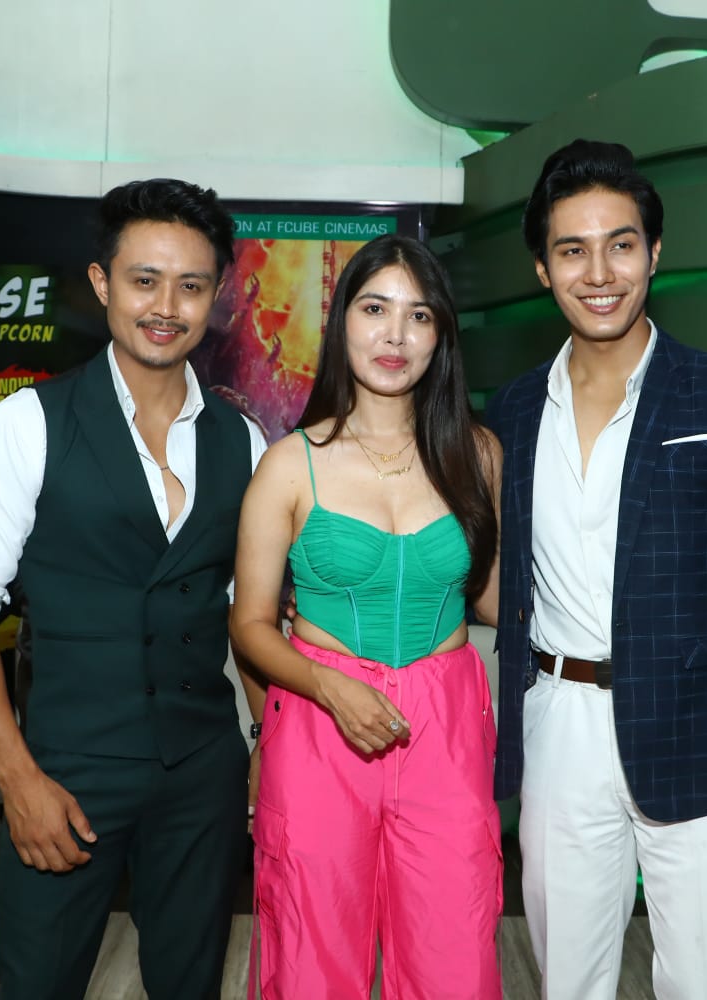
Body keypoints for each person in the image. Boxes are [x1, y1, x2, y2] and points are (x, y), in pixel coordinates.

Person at [484, 139, 707, 1000]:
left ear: (655, 253)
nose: (600, 272)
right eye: (573, 249)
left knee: (704, 984)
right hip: (558, 728)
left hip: (704, 740)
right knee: (569, 980)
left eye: (621, 244)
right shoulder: (514, 410)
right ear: (542, 268)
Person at [0, 177, 268, 1000]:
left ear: (217, 296)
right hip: (66, 768)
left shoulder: (245, 440)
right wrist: (16, 779)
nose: (166, 307)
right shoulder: (25, 426)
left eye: (191, 286)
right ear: (101, 283)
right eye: (145, 280)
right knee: (39, 984)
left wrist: (268, 747)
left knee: (190, 983)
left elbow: (247, 614)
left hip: (202, 771)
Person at [230, 233, 504, 999]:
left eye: (419, 316)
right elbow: (249, 624)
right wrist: (329, 687)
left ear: (441, 335)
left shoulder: (478, 454)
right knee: (312, 953)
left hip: (446, 721)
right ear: (341, 321)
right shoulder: (290, 463)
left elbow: (495, 597)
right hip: (319, 716)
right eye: (375, 309)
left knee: (456, 951)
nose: (395, 335)